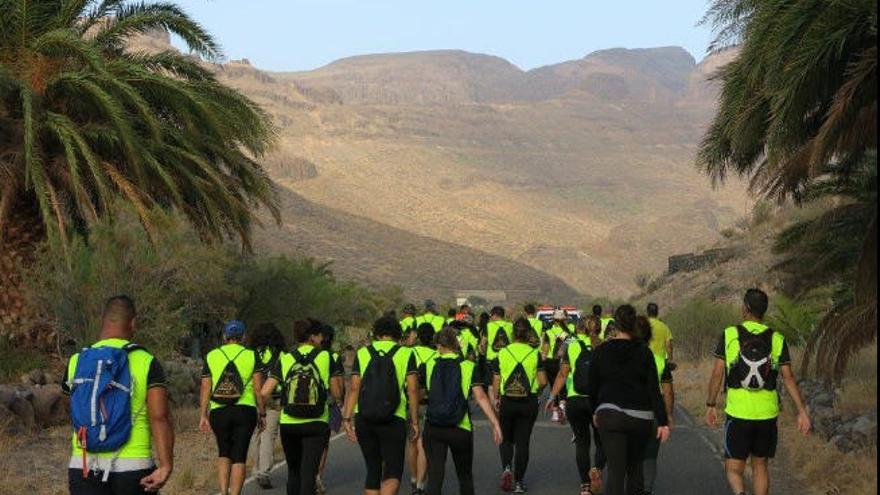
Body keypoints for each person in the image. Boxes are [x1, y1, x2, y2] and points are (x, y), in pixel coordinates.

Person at [63, 295, 174, 495]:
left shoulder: (76, 361)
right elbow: (159, 416)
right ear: (133, 323)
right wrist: (166, 465)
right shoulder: (146, 361)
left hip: (84, 466)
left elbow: (71, 409)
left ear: (102, 320)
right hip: (133, 467)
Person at [705, 288, 811, 495]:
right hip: (767, 414)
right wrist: (802, 411)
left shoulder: (730, 334)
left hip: (738, 413)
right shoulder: (777, 338)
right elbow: (788, 377)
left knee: (734, 469)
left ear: (745, 308)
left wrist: (711, 405)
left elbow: (717, 373)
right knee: (760, 466)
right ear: (764, 311)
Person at [586, 305, 669, 495]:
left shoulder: (601, 351)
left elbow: (592, 386)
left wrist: (594, 411)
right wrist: (663, 421)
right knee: (635, 468)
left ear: (615, 324)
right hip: (640, 418)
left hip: (610, 414)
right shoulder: (644, 353)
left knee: (616, 471)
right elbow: (653, 391)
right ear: (633, 324)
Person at [259, 319, 343, 495]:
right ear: (312, 336)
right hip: (316, 422)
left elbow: (264, 392)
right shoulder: (326, 357)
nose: (322, 339)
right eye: (319, 335)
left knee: (294, 472)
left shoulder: (286, 358)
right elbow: (336, 393)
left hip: (290, 422)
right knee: (309, 474)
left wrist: (274, 406)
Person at [342, 315, 421, 495]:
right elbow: (413, 389)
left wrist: (347, 418)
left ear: (376, 333)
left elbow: (354, 388)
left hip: (364, 417)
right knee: (392, 471)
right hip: (394, 417)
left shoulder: (362, 353)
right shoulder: (406, 353)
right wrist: (414, 421)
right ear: (398, 334)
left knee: (372, 470)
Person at [422, 327, 503, 495]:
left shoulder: (429, 364)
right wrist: (495, 423)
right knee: (464, 475)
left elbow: (420, 390)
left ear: (439, 345)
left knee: (435, 476)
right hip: (460, 427)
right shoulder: (468, 366)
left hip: (433, 427)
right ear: (456, 345)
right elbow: (480, 397)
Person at [200, 320, 265, 495]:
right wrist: (262, 412)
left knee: (223, 451)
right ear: (243, 337)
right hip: (245, 410)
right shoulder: (252, 355)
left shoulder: (212, 355)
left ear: (224, 336)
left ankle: (223, 491)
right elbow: (258, 389)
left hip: (218, 410)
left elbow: (206, 387)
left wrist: (203, 415)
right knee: (239, 454)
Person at [490, 318, 547, 494]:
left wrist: (497, 398)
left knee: (505, 438)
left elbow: (496, 380)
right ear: (529, 333)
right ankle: (519, 482)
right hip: (527, 402)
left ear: (512, 333)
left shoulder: (502, 353)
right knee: (523, 442)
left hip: (507, 401)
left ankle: (506, 468)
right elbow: (543, 381)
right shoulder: (534, 353)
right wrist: (537, 392)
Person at [545, 313, 598, 495]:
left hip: (575, 400)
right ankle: (597, 469)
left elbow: (563, 374)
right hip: (598, 402)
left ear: (579, 327)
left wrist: (552, 397)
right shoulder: (604, 347)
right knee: (602, 441)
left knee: (582, 443)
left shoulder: (572, 346)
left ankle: (585, 486)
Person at [633, 316, 674, 495]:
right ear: (650, 337)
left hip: (629, 413)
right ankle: (646, 490)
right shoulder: (659, 360)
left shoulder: (623, 357)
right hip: (653, 413)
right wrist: (668, 415)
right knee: (650, 456)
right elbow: (668, 392)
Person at [247, 322, 287, 490]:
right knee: (269, 434)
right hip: (273, 398)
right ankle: (263, 471)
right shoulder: (281, 354)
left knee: (257, 434)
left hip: (252, 398)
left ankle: (256, 469)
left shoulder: (251, 354)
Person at [408, 323, 438, 494]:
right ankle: (420, 483)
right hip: (430, 403)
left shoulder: (410, 353)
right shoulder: (437, 355)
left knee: (412, 442)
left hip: (411, 402)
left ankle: (413, 477)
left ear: (418, 337)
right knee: (424, 444)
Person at [316, 323, 346, 494]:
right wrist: (340, 401)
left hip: (309, 402)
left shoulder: (309, 354)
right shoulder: (333, 356)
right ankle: (318, 474)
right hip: (328, 402)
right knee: (324, 441)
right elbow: (339, 383)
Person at [542, 310, 573, 423]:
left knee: (553, 386)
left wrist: (542, 360)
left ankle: (555, 413)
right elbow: (570, 348)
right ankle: (563, 409)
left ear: (554, 320)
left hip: (550, 362)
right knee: (562, 386)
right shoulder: (568, 333)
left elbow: (545, 349)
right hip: (563, 362)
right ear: (564, 320)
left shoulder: (548, 332)